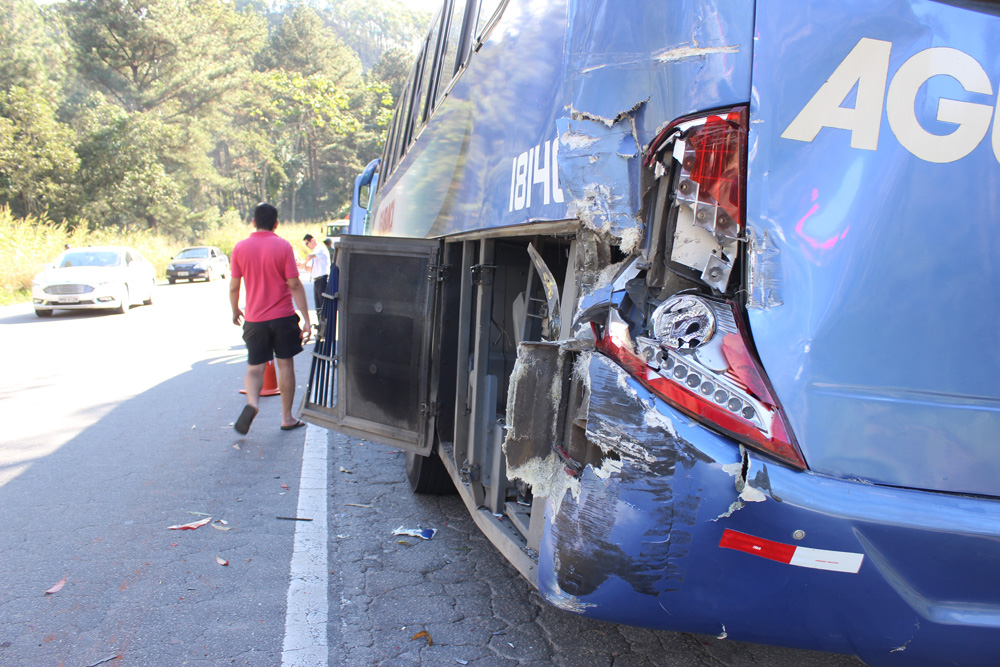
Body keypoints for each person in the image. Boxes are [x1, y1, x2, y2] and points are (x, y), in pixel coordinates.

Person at [230, 203, 311, 434]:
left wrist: (235, 309)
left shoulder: (240, 248)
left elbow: (234, 286)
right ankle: (287, 417)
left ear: (253, 222)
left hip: (255, 319)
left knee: (254, 367)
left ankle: (253, 403)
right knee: (285, 365)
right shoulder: (283, 246)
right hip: (283, 317)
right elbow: (294, 284)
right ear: (276, 224)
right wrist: (305, 318)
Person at [300, 233, 330, 316]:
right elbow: (310, 268)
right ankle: (320, 325)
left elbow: (310, 256)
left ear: (312, 240)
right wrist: (303, 266)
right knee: (318, 307)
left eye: (307, 243)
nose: (307, 246)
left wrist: (304, 263)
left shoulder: (320, 249)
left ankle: (324, 324)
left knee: (322, 305)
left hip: (323, 279)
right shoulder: (316, 252)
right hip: (317, 280)